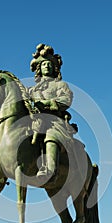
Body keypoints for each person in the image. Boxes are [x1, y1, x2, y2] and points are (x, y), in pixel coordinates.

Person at [29, 43, 76, 182]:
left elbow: (66, 100)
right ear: (39, 68)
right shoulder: (31, 89)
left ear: (54, 67)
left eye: (49, 64)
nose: (47, 66)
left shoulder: (61, 85)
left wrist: (47, 103)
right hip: (34, 121)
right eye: (44, 64)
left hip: (54, 122)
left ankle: (50, 171)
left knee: (51, 135)